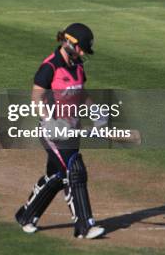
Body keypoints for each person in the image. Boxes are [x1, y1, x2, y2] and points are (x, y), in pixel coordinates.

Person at [14, 23, 105, 239]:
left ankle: (26, 215)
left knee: (57, 175)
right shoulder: (50, 67)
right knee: (75, 170)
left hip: (72, 129)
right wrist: (49, 119)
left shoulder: (78, 66)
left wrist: (97, 114)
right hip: (52, 132)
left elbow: (81, 93)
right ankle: (85, 225)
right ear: (68, 41)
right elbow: (36, 98)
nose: (82, 53)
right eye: (81, 48)